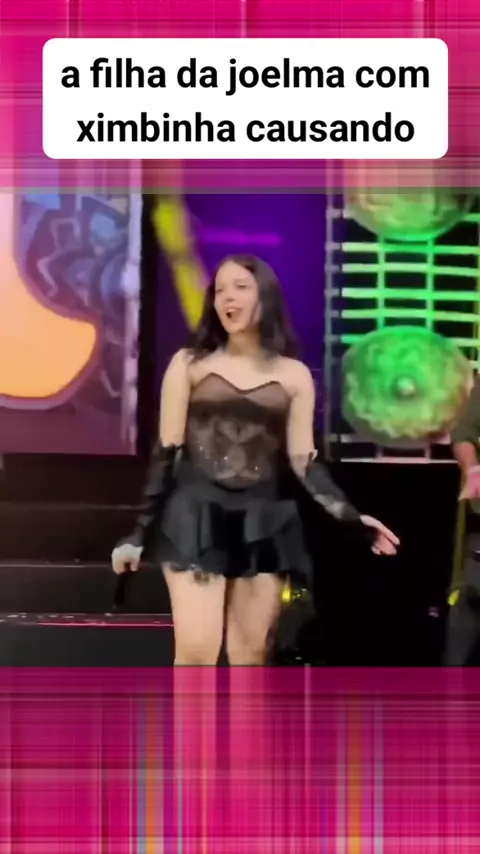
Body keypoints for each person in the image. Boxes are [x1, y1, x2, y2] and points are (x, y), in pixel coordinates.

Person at [111, 254, 399, 666]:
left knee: (252, 656)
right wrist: (138, 533)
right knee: (197, 651)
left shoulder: (294, 375)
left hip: (265, 522)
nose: (227, 297)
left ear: (264, 296)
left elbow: (304, 462)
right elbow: (167, 452)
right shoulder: (189, 364)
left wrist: (351, 517)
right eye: (220, 290)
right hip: (195, 517)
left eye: (240, 287)